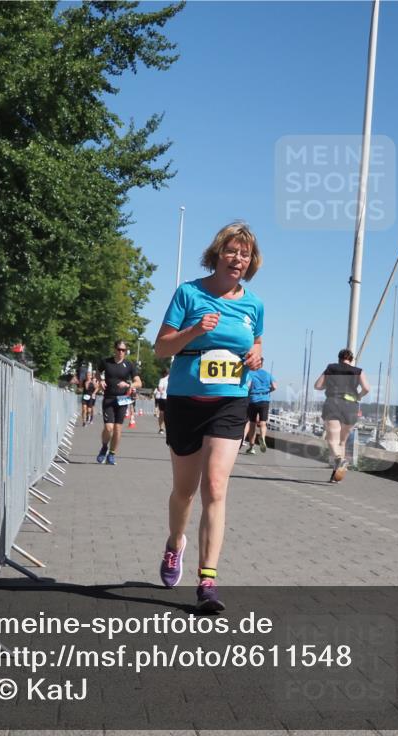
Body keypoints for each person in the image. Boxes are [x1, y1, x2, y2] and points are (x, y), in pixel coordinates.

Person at [153, 222, 263, 612]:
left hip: (230, 402)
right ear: (218, 254)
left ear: (251, 263)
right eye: (232, 251)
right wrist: (196, 330)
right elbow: (160, 349)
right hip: (186, 399)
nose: (238, 259)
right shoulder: (188, 293)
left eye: (245, 254)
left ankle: (207, 581)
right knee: (184, 491)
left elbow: (257, 340)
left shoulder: (253, 304)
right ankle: (173, 544)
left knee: (215, 487)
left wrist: (256, 355)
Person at [314, 348, 370, 482]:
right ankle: (336, 474)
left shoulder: (331, 368)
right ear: (351, 360)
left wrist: (327, 385)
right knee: (342, 442)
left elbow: (317, 385)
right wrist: (358, 396)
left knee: (332, 439)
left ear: (339, 358)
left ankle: (340, 459)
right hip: (351, 407)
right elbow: (366, 388)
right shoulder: (358, 371)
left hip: (333, 403)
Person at [96, 340, 141, 466]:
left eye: (124, 350)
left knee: (117, 429)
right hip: (109, 398)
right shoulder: (106, 362)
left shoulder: (129, 365)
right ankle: (104, 447)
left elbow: (139, 382)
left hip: (122, 400)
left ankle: (112, 453)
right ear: (115, 349)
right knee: (108, 427)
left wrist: (128, 384)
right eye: (119, 349)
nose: (121, 352)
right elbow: (98, 372)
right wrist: (101, 380)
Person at [243, 361, 276, 455]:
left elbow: (247, 386)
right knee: (263, 422)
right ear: (262, 364)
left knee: (252, 424)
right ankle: (263, 438)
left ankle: (252, 447)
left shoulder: (250, 373)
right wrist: (267, 390)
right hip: (265, 399)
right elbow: (274, 386)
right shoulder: (267, 374)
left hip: (253, 399)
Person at [155, 368, 169, 434]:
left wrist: (161, 391)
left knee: (162, 413)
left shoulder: (162, 380)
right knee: (168, 414)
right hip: (170, 398)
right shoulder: (172, 379)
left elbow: (160, 388)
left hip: (163, 398)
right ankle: (168, 428)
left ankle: (161, 428)